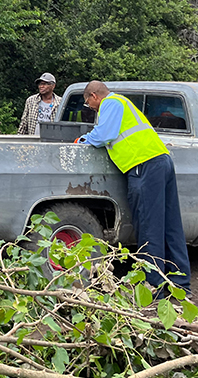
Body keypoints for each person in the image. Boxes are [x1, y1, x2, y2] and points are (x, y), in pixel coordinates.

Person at [76, 81, 191, 296]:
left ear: (94, 96)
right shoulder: (123, 103)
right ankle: (181, 285)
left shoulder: (110, 103)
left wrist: (82, 140)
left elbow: (103, 135)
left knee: (149, 227)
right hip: (160, 161)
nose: (90, 107)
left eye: (88, 102)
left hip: (143, 165)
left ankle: (154, 288)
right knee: (170, 225)